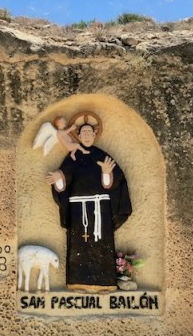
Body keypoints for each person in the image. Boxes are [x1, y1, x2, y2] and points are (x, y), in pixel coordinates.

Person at [46, 123, 132, 292]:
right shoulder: (73, 157)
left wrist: (106, 172)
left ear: (94, 135)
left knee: (103, 245)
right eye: (83, 132)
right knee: (78, 246)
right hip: (78, 210)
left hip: (100, 210)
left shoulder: (102, 156)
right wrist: (58, 179)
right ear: (78, 136)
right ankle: (77, 282)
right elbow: (63, 184)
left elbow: (114, 184)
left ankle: (105, 283)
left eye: (89, 132)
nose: (86, 135)